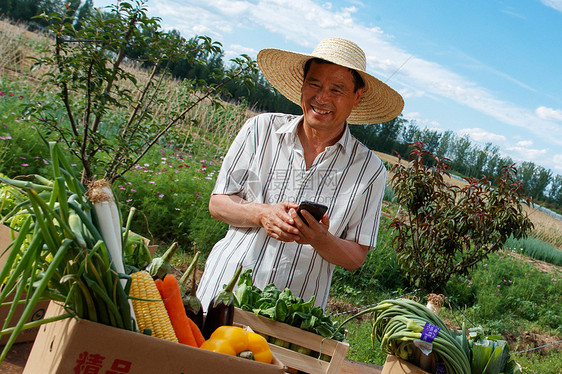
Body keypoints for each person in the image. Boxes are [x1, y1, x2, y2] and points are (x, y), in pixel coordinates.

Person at [196, 37, 404, 310]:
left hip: (292, 313)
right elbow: (219, 203)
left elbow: (356, 256)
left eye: (337, 89)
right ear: (302, 85)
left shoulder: (369, 170)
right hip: (223, 291)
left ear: (357, 96)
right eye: (314, 84)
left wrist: (320, 238)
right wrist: (262, 214)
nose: (321, 98)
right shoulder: (260, 130)